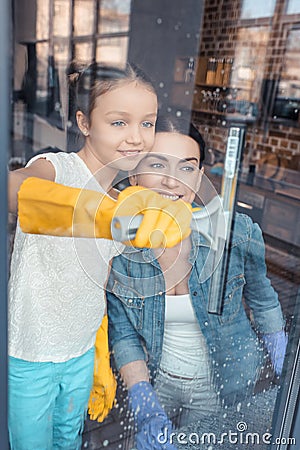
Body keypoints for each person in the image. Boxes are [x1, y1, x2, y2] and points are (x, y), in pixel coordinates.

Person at [7, 63, 193, 450]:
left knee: (68, 442)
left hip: (80, 353)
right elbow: (15, 189)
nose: (137, 138)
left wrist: (173, 217)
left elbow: (165, 269)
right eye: (119, 122)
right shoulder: (58, 168)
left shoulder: (126, 197)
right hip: (30, 357)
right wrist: (111, 218)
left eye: (147, 123)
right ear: (84, 123)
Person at [106, 115, 288, 449]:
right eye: (157, 164)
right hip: (156, 379)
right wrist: (143, 400)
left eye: (187, 168)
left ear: (201, 176)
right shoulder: (117, 245)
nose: (172, 182)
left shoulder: (236, 231)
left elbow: (264, 301)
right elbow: (124, 331)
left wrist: (286, 365)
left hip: (222, 384)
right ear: (134, 173)